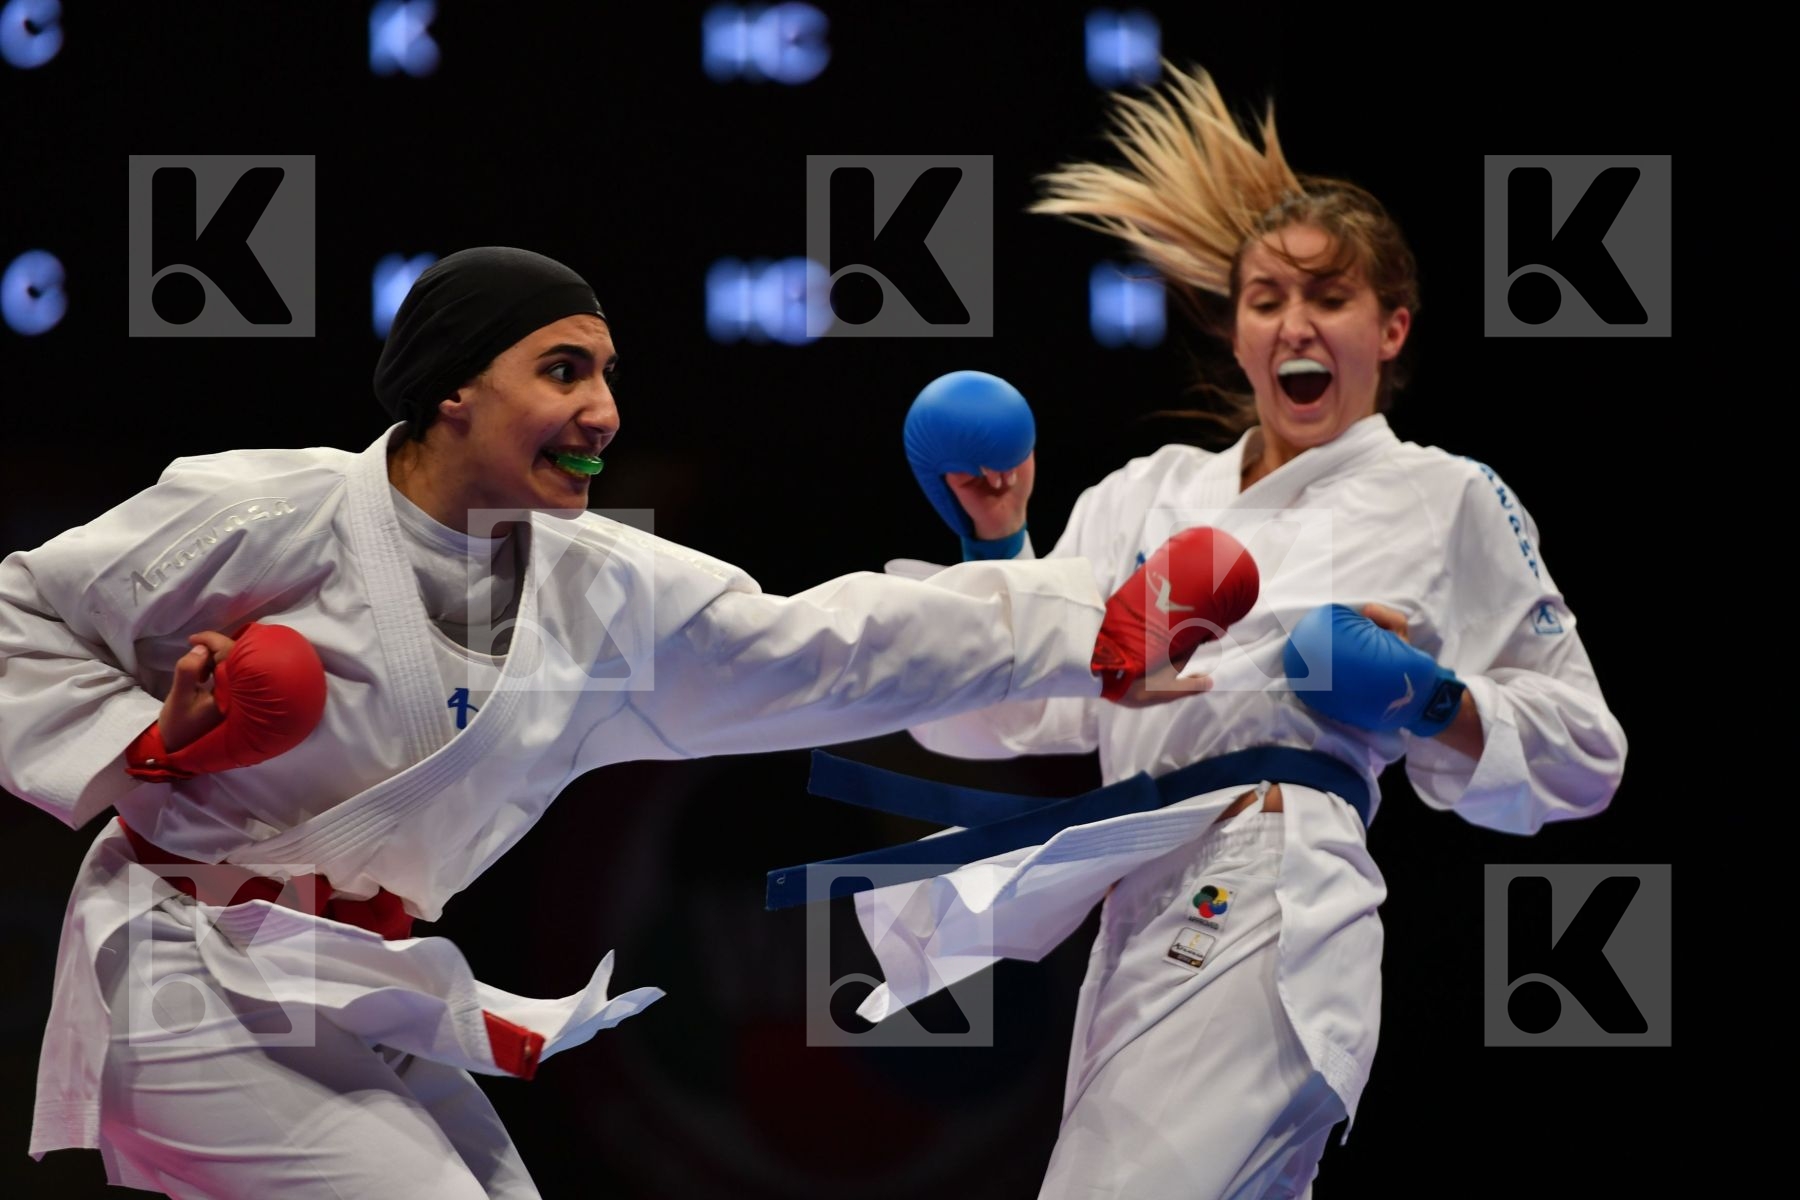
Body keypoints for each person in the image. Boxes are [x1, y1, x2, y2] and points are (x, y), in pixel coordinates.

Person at [0, 245, 1217, 1198]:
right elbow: (19, 613)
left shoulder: (601, 595)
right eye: (564, 370)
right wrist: (148, 746)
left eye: (609, 376)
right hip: (185, 978)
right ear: (454, 388)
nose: (602, 412)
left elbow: (818, 648)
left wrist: (1089, 632)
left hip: (357, 982)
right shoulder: (268, 516)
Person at [839, 67, 1628, 1198]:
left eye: (1329, 298)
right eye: (1266, 299)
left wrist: (1428, 698)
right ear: (1239, 329)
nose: (1294, 324)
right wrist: (998, 551)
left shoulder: (1445, 496)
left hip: (1274, 888)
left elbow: (1588, 753)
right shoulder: (1145, 494)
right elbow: (1004, 718)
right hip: (1138, 896)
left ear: (1391, 327)